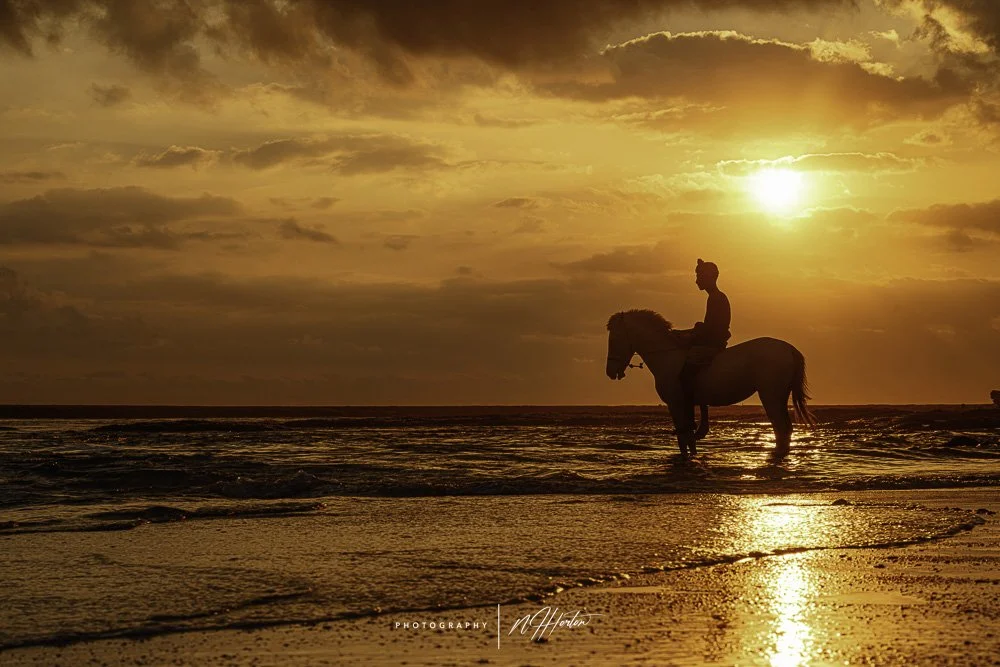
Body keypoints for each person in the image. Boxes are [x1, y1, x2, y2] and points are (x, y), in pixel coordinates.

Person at [676, 259, 731, 440]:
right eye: (697, 276)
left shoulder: (716, 298)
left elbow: (712, 328)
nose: (697, 280)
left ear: (710, 277)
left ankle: (693, 421)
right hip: (711, 341)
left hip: (712, 345)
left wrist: (691, 334)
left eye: (700, 276)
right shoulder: (715, 297)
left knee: (685, 375)